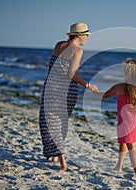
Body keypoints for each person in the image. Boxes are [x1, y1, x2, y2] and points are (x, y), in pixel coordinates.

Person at [39, 22, 98, 171]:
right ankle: (62, 160)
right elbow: (72, 74)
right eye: (86, 36)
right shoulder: (77, 51)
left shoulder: (59, 45)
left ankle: (55, 155)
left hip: (50, 88)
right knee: (61, 123)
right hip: (66, 91)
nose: (87, 38)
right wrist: (87, 85)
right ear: (79, 36)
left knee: (49, 121)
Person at [98, 58, 136, 182]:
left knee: (132, 147)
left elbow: (104, 95)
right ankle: (119, 166)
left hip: (127, 121)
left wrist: (94, 91)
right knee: (125, 142)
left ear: (127, 72)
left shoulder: (120, 87)